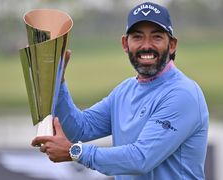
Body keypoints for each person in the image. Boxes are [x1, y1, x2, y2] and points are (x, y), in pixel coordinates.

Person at [32, 2, 209, 180]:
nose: (146, 46)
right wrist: (58, 82)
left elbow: (141, 158)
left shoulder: (183, 94)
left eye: (156, 37)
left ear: (172, 45)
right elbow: (80, 129)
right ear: (125, 43)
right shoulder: (124, 91)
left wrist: (74, 152)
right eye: (138, 37)